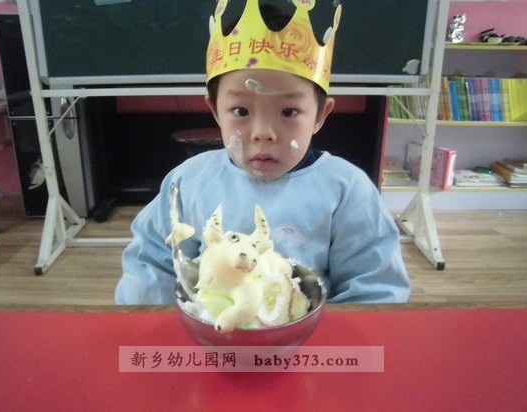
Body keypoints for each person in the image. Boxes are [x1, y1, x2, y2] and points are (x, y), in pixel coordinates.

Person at [115, 0, 410, 305]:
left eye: (289, 111)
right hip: (209, 329)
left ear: (320, 116)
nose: (263, 133)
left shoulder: (347, 190)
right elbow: (152, 262)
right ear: (215, 111)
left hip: (307, 330)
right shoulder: (189, 180)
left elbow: (374, 287)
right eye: (241, 111)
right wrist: (153, 320)